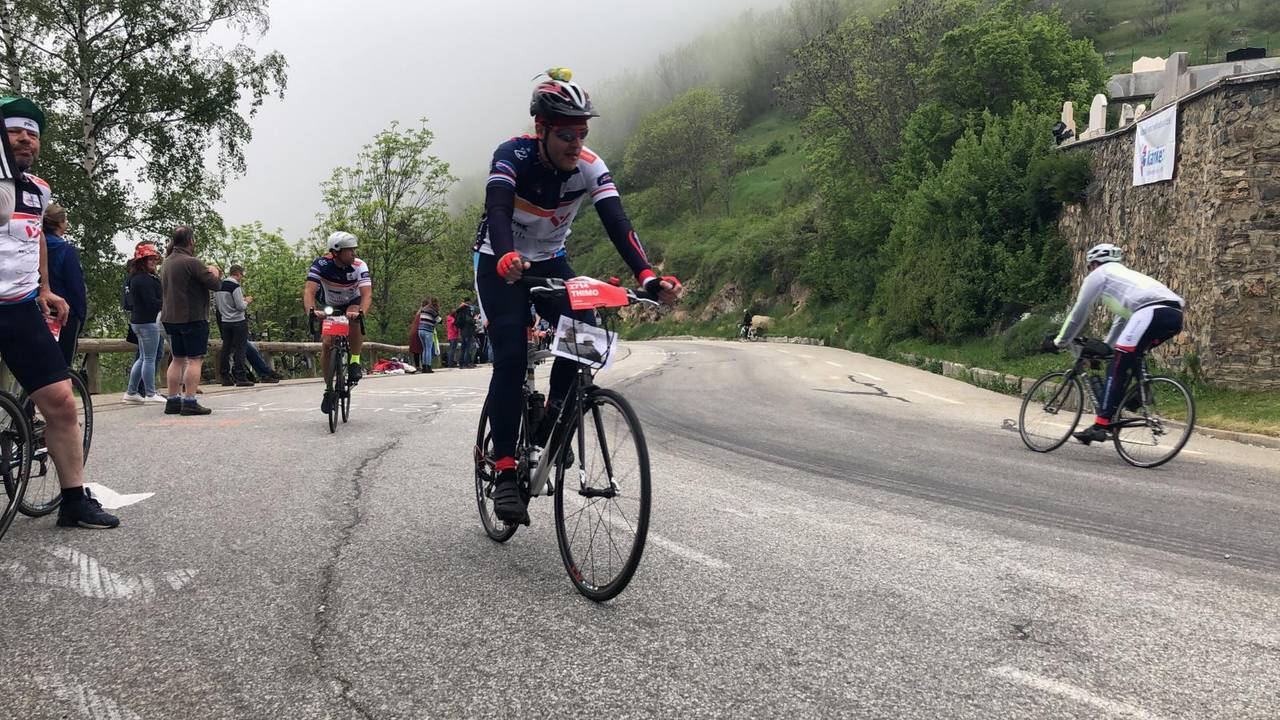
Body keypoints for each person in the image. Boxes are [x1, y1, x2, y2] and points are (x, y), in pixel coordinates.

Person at [474, 69, 680, 524]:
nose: (575, 142)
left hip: (549, 260)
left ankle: (552, 413)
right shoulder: (513, 155)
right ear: (542, 130)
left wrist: (646, 276)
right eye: (566, 133)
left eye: (582, 132)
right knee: (510, 354)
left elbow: (617, 221)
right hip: (499, 261)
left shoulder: (589, 164)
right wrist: (507, 255)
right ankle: (505, 472)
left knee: (588, 331)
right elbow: (499, 208)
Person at [0, 95, 117, 528]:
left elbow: (34, 242)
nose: (25, 138)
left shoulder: (39, 189)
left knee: (62, 404)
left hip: (19, 308)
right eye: (15, 130)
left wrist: (45, 288)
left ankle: (73, 500)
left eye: (32, 133)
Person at [1045, 243, 1185, 445]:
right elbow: (1123, 318)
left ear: (1094, 263)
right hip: (1174, 316)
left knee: (1116, 368)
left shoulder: (1099, 275)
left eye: (1090, 266)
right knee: (1128, 356)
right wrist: (1107, 347)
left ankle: (1100, 426)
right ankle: (1137, 395)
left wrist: (1060, 341)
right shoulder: (1126, 278)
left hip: (1150, 313)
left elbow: (1079, 312)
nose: (1090, 270)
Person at [304, 231, 372, 414]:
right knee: (327, 344)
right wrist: (311, 311)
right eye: (350, 251)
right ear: (337, 252)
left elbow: (367, 294)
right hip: (330, 304)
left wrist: (361, 312)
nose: (354, 254)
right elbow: (309, 291)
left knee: (354, 317)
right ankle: (329, 389)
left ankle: (355, 361)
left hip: (352, 301)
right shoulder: (321, 264)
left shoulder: (359, 265)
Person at [160, 225, 220, 416]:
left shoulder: (166, 262)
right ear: (191, 241)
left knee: (177, 358)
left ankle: (172, 400)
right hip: (192, 317)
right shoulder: (192, 262)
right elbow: (215, 284)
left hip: (170, 317)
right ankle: (190, 400)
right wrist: (214, 271)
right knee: (195, 359)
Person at [42, 204, 87, 365]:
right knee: (61, 366)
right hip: (64, 315)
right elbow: (76, 286)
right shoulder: (65, 250)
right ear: (60, 223)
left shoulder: (34, 247)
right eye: (66, 219)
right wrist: (81, 314)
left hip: (37, 311)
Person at [122, 243, 166, 403]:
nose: (154, 262)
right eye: (150, 259)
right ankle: (150, 392)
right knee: (149, 358)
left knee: (142, 358)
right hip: (148, 322)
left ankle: (131, 391)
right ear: (142, 261)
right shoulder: (144, 280)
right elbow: (151, 303)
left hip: (139, 321)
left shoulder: (136, 278)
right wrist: (166, 302)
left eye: (155, 259)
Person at [214, 264, 253, 387]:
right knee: (240, 348)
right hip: (238, 321)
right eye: (242, 275)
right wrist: (246, 301)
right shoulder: (235, 286)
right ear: (237, 273)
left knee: (226, 348)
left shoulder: (219, 286)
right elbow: (240, 306)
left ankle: (225, 376)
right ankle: (240, 376)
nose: (241, 277)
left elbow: (218, 306)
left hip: (225, 321)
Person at [417, 297, 440, 372]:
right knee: (428, 349)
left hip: (420, 330)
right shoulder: (432, 310)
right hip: (428, 330)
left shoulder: (423, 309)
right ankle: (428, 367)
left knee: (424, 349)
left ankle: (424, 367)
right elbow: (439, 320)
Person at [454, 299, 476, 368]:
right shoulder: (466, 309)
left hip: (462, 330)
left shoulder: (460, 309)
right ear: (468, 302)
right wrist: (474, 320)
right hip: (468, 330)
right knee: (468, 347)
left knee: (463, 347)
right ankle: (467, 363)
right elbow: (468, 319)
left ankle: (461, 363)